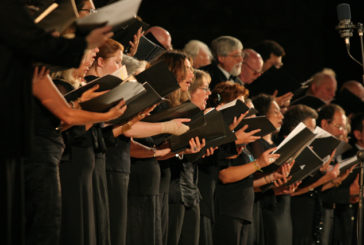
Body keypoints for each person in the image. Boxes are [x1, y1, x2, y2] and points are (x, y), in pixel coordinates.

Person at [0, 0, 115, 244]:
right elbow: (66, 116)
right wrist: (106, 116)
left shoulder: (34, 65)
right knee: (41, 228)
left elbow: (61, 121)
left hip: (35, 154)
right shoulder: (31, 65)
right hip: (35, 157)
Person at [167, 69, 213, 245]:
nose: (208, 93)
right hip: (173, 190)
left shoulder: (199, 119)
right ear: (189, 91)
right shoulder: (176, 115)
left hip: (191, 190)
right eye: (204, 88)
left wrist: (203, 151)